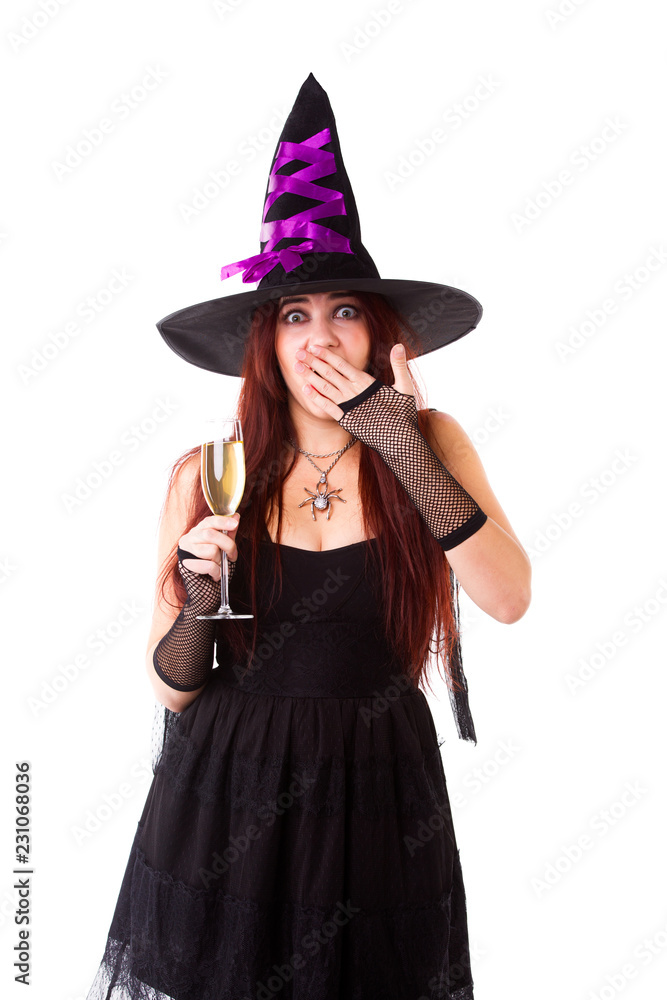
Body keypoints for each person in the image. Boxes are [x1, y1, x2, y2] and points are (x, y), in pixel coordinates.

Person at [85, 75, 531, 1000]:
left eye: (344, 311)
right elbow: (171, 690)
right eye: (295, 315)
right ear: (265, 340)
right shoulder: (209, 472)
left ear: (377, 334)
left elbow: (507, 598)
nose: (319, 338)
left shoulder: (430, 442)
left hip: (377, 785)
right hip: (226, 790)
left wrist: (398, 443)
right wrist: (198, 601)